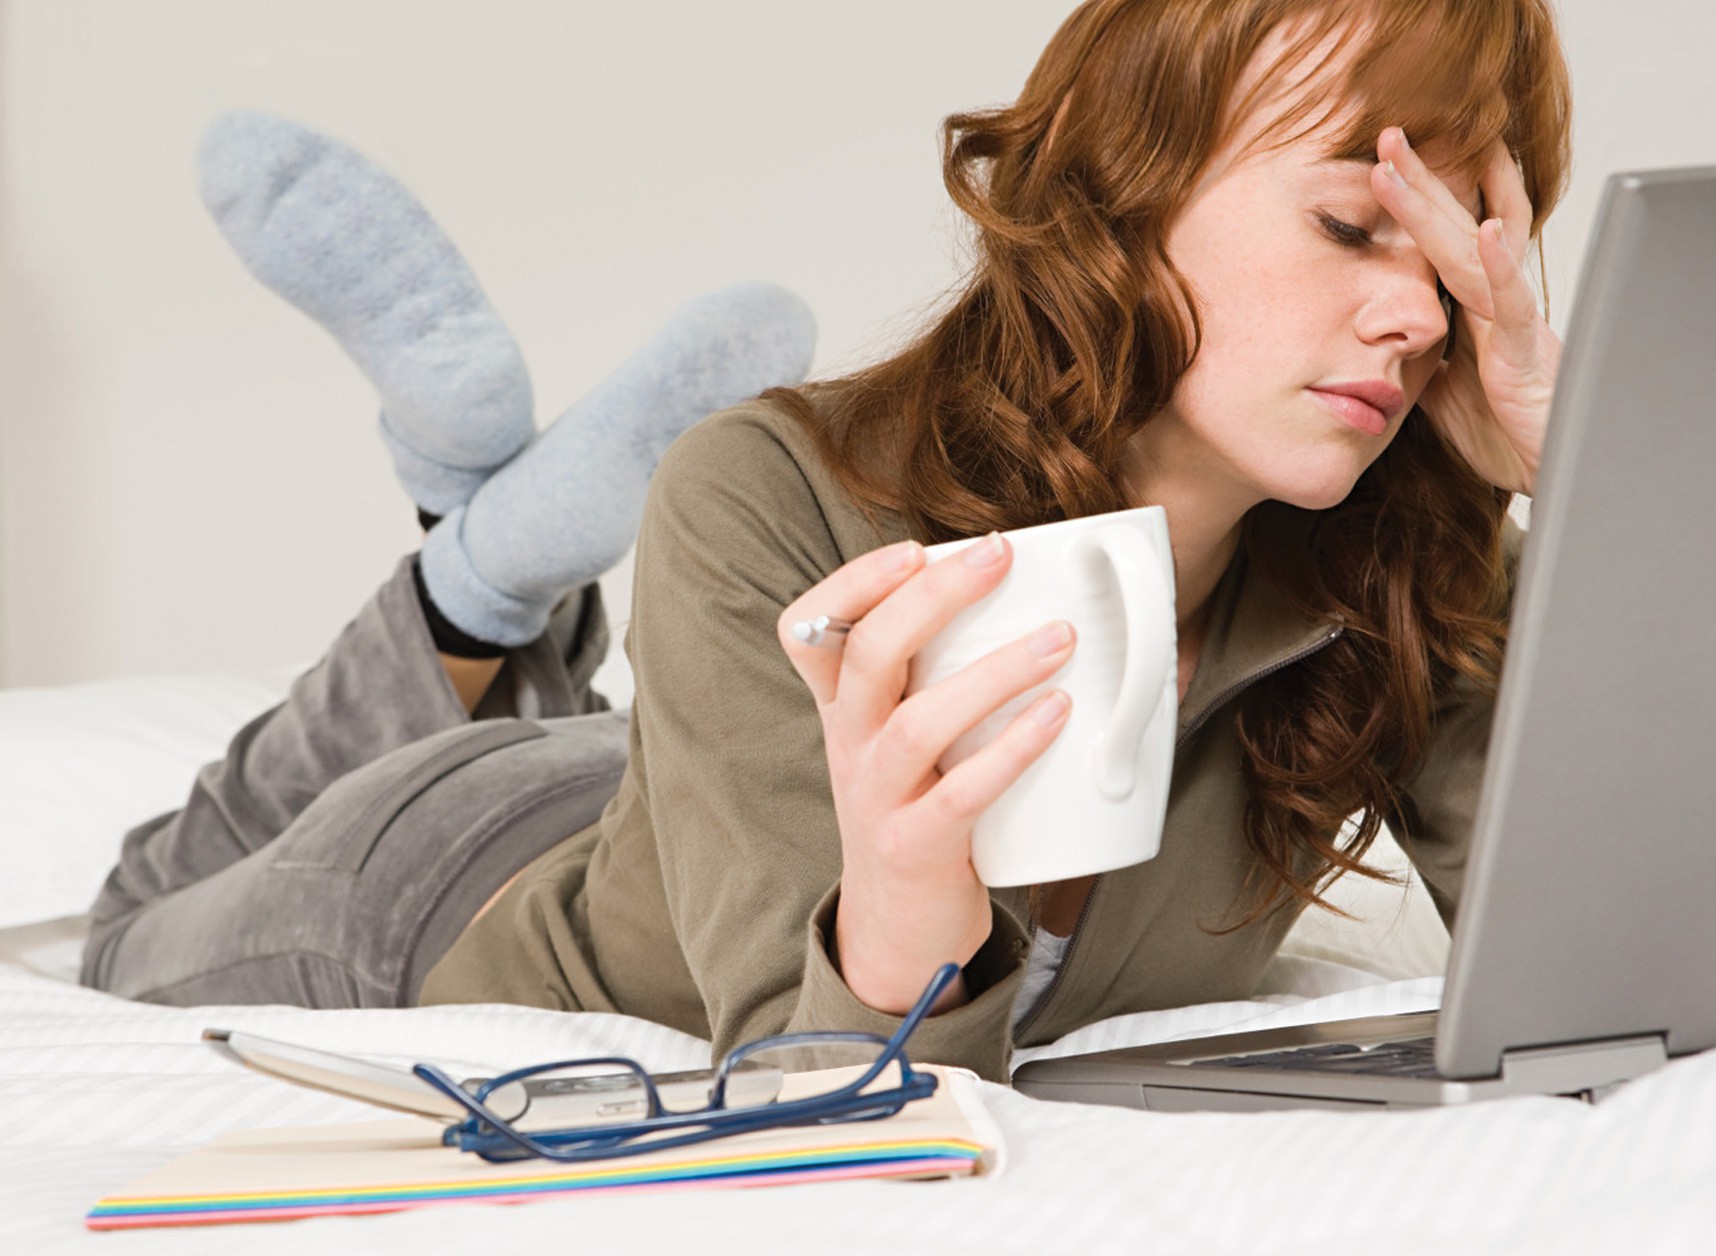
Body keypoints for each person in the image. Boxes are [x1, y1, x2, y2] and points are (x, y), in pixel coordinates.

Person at [84, 0, 1572, 1086]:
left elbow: (1602, 944)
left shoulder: (1395, 567)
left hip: (672, 790)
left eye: (1456, 255)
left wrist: (1562, 486)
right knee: (131, 915)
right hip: (441, 871)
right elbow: (813, 1100)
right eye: (1353, 229)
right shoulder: (769, 488)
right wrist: (909, 912)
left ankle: (492, 552)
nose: (1426, 316)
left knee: (622, 754)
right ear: (1127, 193)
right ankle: (473, 575)